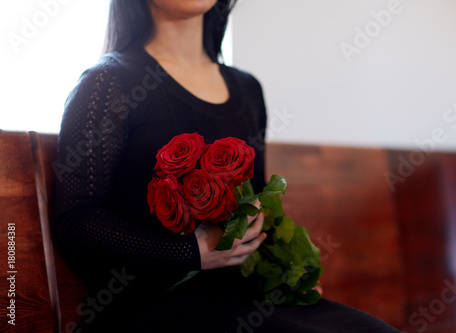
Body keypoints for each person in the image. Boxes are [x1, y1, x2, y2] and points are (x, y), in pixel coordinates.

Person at [54, 0, 401, 332]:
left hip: (247, 299)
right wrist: (190, 251)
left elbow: (258, 209)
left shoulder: (247, 90)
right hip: (157, 309)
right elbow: (76, 218)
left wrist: (287, 275)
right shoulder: (108, 83)